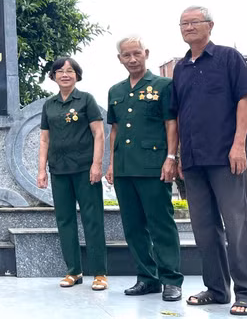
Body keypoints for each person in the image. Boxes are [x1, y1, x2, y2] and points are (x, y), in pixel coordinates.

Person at [171, 6, 247, 316]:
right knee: (204, 228)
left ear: (210, 25)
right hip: (194, 160)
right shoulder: (180, 68)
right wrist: (181, 154)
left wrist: (238, 145)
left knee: (237, 225)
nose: (188, 27)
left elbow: (244, 99)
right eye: (183, 23)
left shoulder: (227, 57)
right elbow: (180, 114)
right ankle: (216, 288)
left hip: (226, 157)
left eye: (194, 22)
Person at [106, 36, 183, 302]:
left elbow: (171, 123)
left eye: (136, 53)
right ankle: (146, 278)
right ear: (120, 59)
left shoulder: (163, 85)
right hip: (125, 169)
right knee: (133, 226)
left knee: (161, 223)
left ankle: (171, 280)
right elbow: (114, 130)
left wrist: (171, 157)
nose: (132, 59)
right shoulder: (115, 91)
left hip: (154, 166)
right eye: (126, 55)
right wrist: (111, 164)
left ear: (146, 53)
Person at [37, 57, 108, 290]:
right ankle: (73, 271)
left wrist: (97, 164)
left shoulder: (86, 100)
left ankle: (99, 273)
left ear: (77, 75)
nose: (65, 75)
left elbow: (99, 133)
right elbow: (45, 138)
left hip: (85, 169)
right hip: (59, 169)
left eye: (70, 71)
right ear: (54, 76)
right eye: (60, 71)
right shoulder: (49, 105)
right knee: (65, 220)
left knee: (92, 219)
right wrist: (41, 169)